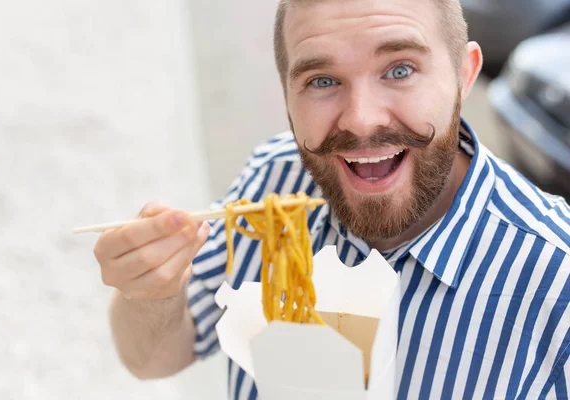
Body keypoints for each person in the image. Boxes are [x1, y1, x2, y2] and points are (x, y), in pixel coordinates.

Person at [93, 0, 570, 398]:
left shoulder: (557, 279)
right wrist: (150, 294)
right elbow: (153, 359)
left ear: (464, 76)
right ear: (287, 95)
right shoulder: (275, 181)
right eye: (322, 81)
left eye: (399, 69)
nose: (361, 120)